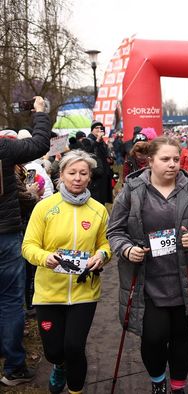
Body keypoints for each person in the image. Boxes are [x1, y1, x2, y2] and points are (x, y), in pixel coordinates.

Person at [107, 137, 188, 394]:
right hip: (148, 280)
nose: (172, 164)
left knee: (181, 336)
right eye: (165, 159)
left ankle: (178, 386)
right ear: (150, 161)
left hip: (185, 277)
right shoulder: (132, 190)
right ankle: (158, 381)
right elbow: (115, 231)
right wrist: (126, 249)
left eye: (176, 159)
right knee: (153, 337)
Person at [22, 150, 111, 394]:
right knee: (54, 351)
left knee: (74, 347)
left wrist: (102, 255)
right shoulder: (44, 208)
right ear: (61, 175)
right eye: (72, 173)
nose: (77, 178)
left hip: (85, 291)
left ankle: (75, 390)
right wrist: (44, 257)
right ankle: (58, 366)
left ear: (90, 177)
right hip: (49, 291)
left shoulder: (98, 210)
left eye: (83, 173)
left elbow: (105, 243)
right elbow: (28, 246)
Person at [0, 96, 50, 387]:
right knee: (9, 301)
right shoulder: (4, 147)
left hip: (7, 233)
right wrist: (40, 112)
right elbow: (40, 144)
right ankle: (14, 367)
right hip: (5, 234)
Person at [86, 121, 113, 204]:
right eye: (96, 128)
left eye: (100, 128)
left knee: (102, 198)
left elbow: (105, 155)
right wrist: (97, 140)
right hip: (95, 174)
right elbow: (87, 153)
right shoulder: (87, 140)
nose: (99, 129)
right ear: (92, 130)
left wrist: (109, 159)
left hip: (104, 173)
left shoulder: (102, 141)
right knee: (96, 199)